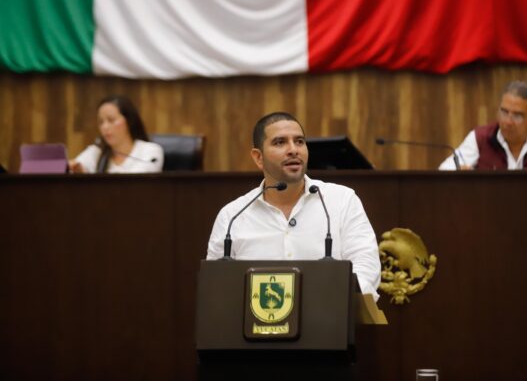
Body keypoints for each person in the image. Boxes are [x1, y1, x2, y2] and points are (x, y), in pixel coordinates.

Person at [207, 112, 381, 299]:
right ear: (258, 157)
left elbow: (366, 265)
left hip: (329, 314)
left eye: (299, 141)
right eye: (280, 142)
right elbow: (216, 284)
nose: (293, 150)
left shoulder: (341, 200)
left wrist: (341, 299)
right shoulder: (233, 216)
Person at [439, 81, 527, 170]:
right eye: (504, 112)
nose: (508, 121)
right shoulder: (480, 137)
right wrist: (460, 173)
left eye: (517, 116)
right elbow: (445, 170)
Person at [69, 95, 164, 173]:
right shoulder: (96, 152)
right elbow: (73, 168)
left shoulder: (150, 151)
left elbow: (135, 181)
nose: (105, 127)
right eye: (101, 122)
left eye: (111, 120)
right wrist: (77, 170)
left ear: (129, 121)